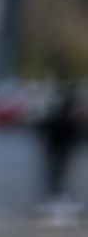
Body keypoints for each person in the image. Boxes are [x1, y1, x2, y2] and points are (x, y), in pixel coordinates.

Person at [37, 79, 82, 224]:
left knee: (55, 175)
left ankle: (55, 198)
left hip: (57, 148)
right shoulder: (68, 118)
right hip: (60, 149)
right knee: (57, 175)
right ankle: (55, 199)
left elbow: (43, 129)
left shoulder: (56, 115)